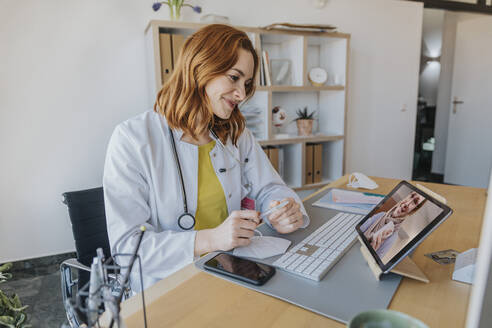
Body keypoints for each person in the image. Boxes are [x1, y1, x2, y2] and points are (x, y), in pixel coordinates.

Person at [103, 24, 309, 292]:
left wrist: (282, 210)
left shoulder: (235, 133)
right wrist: (210, 239)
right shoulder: (133, 139)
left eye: (246, 84)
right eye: (234, 78)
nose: (242, 94)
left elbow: (269, 187)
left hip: (234, 270)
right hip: (168, 285)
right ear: (200, 68)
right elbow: (128, 249)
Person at [360, 191, 426, 257]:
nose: (407, 203)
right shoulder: (381, 214)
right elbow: (360, 229)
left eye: (414, 202)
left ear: (413, 211)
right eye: (411, 196)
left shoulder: (393, 236)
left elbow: (376, 258)